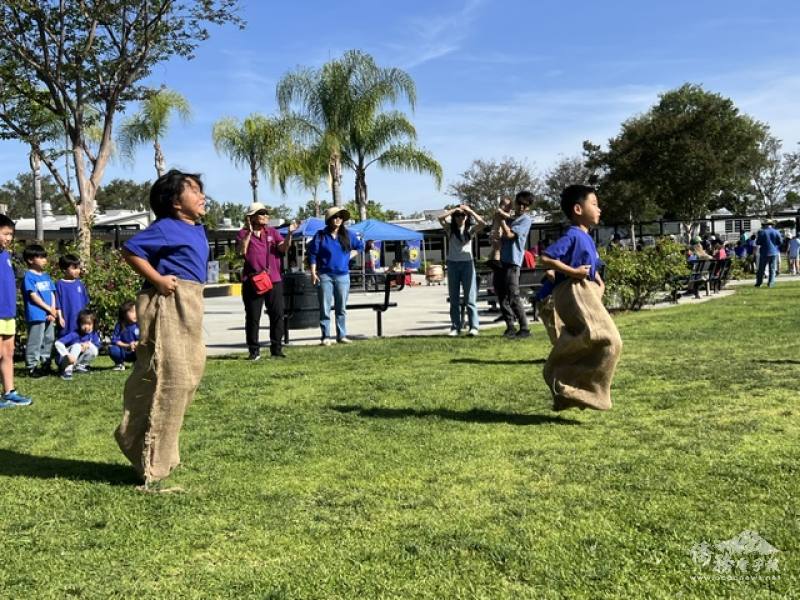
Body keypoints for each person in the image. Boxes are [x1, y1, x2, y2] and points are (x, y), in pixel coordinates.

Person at [115, 169, 209, 488]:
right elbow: (130, 251)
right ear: (174, 202)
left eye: (200, 190)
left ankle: (160, 453)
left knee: (188, 377)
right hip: (171, 301)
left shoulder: (196, 228)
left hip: (192, 301)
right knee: (171, 378)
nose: (201, 196)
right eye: (193, 191)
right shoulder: (167, 227)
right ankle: (151, 460)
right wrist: (157, 279)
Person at [539, 184, 622, 411]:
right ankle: (574, 384)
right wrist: (573, 272)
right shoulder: (573, 235)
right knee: (609, 340)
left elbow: (590, 267)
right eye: (594, 204)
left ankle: (566, 388)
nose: (599, 209)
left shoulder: (585, 237)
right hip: (574, 290)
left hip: (584, 290)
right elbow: (545, 258)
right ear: (578, 209)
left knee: (594, 340)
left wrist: (598, 283)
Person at [236, 202, 295, 360]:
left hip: (274, 280)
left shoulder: (272, 232)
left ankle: (276, 348)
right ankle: (254, 350)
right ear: (252, 217)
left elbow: (283, 249)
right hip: (252, 281)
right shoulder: (242, 234)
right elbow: (242, 251)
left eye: (266, 213)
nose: (265, 216)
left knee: (277, 314)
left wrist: (289, 234)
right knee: (253, 317)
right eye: (261, 213)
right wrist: (249, 231)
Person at [308, 206, 364, 345]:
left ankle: (342, 335)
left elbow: (360, 246)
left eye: (340, 217)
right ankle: (325, 336)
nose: (338, 219)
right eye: (335, 216)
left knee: (341, 308)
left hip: (343, 276)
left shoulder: (349, 234)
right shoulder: (320, 235)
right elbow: (313, 255)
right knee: (325, 307)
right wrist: (313, 273)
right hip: (325, 275)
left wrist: (349, 256)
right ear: (329, 219)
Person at [439, 204, 486, 336]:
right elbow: (440, 218)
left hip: (467, 264)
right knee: (454, 299)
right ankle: (455, 327)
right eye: (458, 215)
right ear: (454, 217)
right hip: (453, 264)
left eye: (462, 215)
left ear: (466, 217)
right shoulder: (450, 230)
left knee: (470, 298)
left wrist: (470, 210)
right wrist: (454, 209)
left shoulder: (470, 229)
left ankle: (473, 327)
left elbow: (483, 223)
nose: (460, 217)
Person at [0, 214, 32, 407]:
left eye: (11, 234)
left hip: (8, 313)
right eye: (5, 234)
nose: (9, 238)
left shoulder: (7, 256)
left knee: (8, 353)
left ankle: (9, 392)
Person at [494, 190, 534, 339]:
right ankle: (510, 327)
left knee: (513, 295)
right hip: (501, 261)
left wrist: (502, 221)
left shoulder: (525, 220)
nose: (522, 207)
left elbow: (510, 235)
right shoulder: (511, 217)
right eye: (520, 204)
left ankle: (524, 328)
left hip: (513, 262)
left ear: (528, 207)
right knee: (501, 294)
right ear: (515, 203)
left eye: (525, 205)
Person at [22, 244, 56, 377]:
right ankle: (32, 366)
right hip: (36, 314)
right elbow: (33, 295)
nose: (44, 260)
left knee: (49, 339)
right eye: (40, 257)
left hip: (49, 313)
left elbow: (52, 293)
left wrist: (52, 309)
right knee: (36, 340)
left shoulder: (46, 276)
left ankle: (46, 363)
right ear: (31, 260)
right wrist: (48, 309)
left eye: (44, 257)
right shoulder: (29, 277)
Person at [54, 309, 101, 380]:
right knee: (77, 346)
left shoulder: (93, 334)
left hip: (76, 360)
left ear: (93, 324)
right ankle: (67, 370)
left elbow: (97, 346)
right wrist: (67, 355)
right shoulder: (75, 334)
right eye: (84, 323)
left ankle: (80, 366)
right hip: (64, 361)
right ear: (79, 324)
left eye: (89, 324)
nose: (86, 327)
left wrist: (88, 344)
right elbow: (58, 343)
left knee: (93, 349)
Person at [55, 253, 90, 337]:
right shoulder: (59, 284)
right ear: (64, 270)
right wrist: (60, 317)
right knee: (66, 339)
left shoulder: (79, 284)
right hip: (67, 318)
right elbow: (57, 304)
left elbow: (85, 302)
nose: (77, 270)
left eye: (78, 268)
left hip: (80, 319)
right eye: (74, 268)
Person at [109, 300, 140, 371]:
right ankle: (119, 364)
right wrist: (128, 345)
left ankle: (138, 362)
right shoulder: (120, 325)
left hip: (136, 351)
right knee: (112, 348)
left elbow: (145, 338)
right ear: (124, 313)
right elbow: (115, 340)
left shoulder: (140, 324)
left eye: (136, 311)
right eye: (132, 312)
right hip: (124, 351)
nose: (135, 314)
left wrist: (137, 343)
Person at [755, 219, 783, 288]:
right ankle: (771, 284)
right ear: (771, 225)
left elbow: (758, 242)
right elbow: (780, 242)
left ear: (764, 225)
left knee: (761, 269)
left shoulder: (762, 232)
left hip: (764, 252)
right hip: (774, 252)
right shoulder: (776, 231)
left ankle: (759, 283)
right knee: (772, 269)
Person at [488, 197, 513, 269]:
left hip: (496, 233)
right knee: (497, 249)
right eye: (504, 205)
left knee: (495, 248)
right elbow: (509, 216)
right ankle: (496, 263)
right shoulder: (499, 211)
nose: (506, 207)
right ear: (500, 205)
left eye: (508, 206)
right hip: (496, 233)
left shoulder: (505, 212)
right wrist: (509, 214)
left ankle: (490, 261)